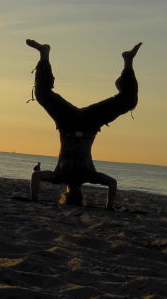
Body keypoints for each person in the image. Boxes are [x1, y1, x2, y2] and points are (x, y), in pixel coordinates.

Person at [26, 39, 141, 208]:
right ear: (81, 195)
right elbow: (112, 183)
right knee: (129, 101)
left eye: (70, 196)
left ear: (65, 193)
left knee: (42, 93)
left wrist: (34, 199)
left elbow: (36, 177)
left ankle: (44, 55)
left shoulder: (59, 176)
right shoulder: (89, 176)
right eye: (77, 197)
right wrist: (109, 207)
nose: (75, 193)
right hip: (90, 124)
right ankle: (128, 62)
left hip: (67, 123)